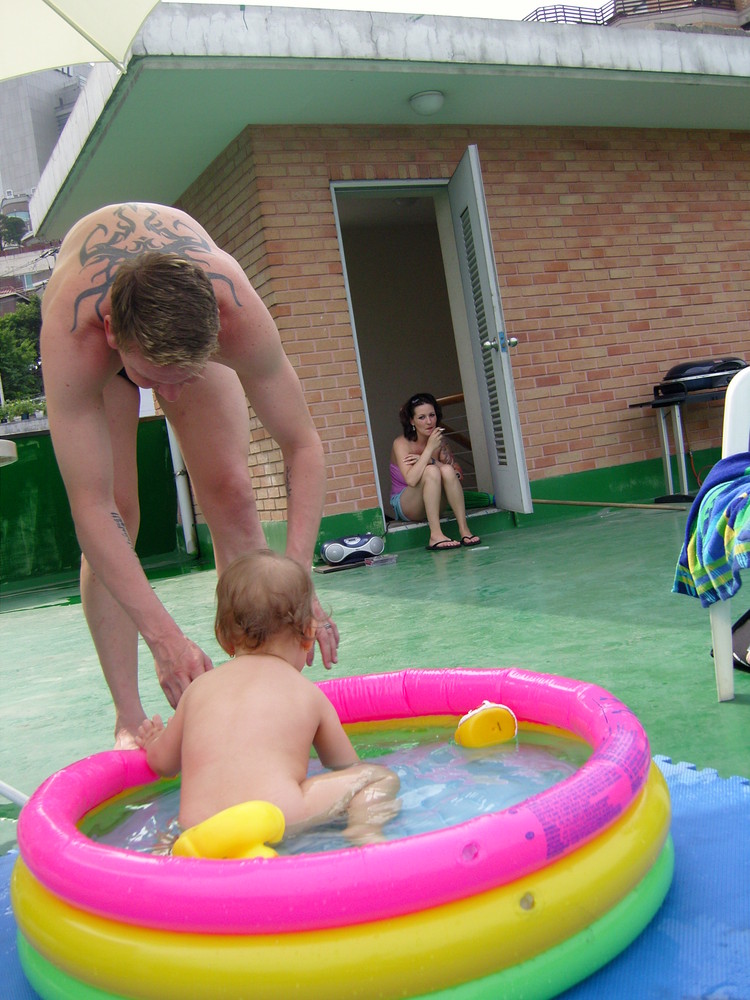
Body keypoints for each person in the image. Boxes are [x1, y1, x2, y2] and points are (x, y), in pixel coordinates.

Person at [40, 202, 339, 749]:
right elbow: (91, 507)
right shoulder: (75, 335)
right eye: (156, 380)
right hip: (98, 350)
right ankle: (129, 719)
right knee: (121, 512)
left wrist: (296, 583)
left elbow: (303, 446)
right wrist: (166, 639)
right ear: (112, 332)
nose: (168, 398)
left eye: (186, 377)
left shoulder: (236, 314)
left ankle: (260, 688)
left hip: (178, 318)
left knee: (232, 494)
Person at [135, 550, 400, 844]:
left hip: (199, 830)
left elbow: (163, 764)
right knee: (375, 778)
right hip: (276, 817)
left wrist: (153, 741)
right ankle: (364, 834)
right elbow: (346, 766)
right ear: (309, 635)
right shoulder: (308, 695)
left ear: (223, 638)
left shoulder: (199, 689)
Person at [390, 392, 481, 551]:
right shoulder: (401, 443)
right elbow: (411, 480)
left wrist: (433, 460)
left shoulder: (441, 442)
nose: (429, 421)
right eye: (422, 417)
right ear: (412, 421)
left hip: (434, 501)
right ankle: (435, 535)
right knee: (431, 471)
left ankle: (464, 530)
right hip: (408, 504)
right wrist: (429, 450)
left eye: (432, 415)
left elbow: (457, 475)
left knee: (445, 470)